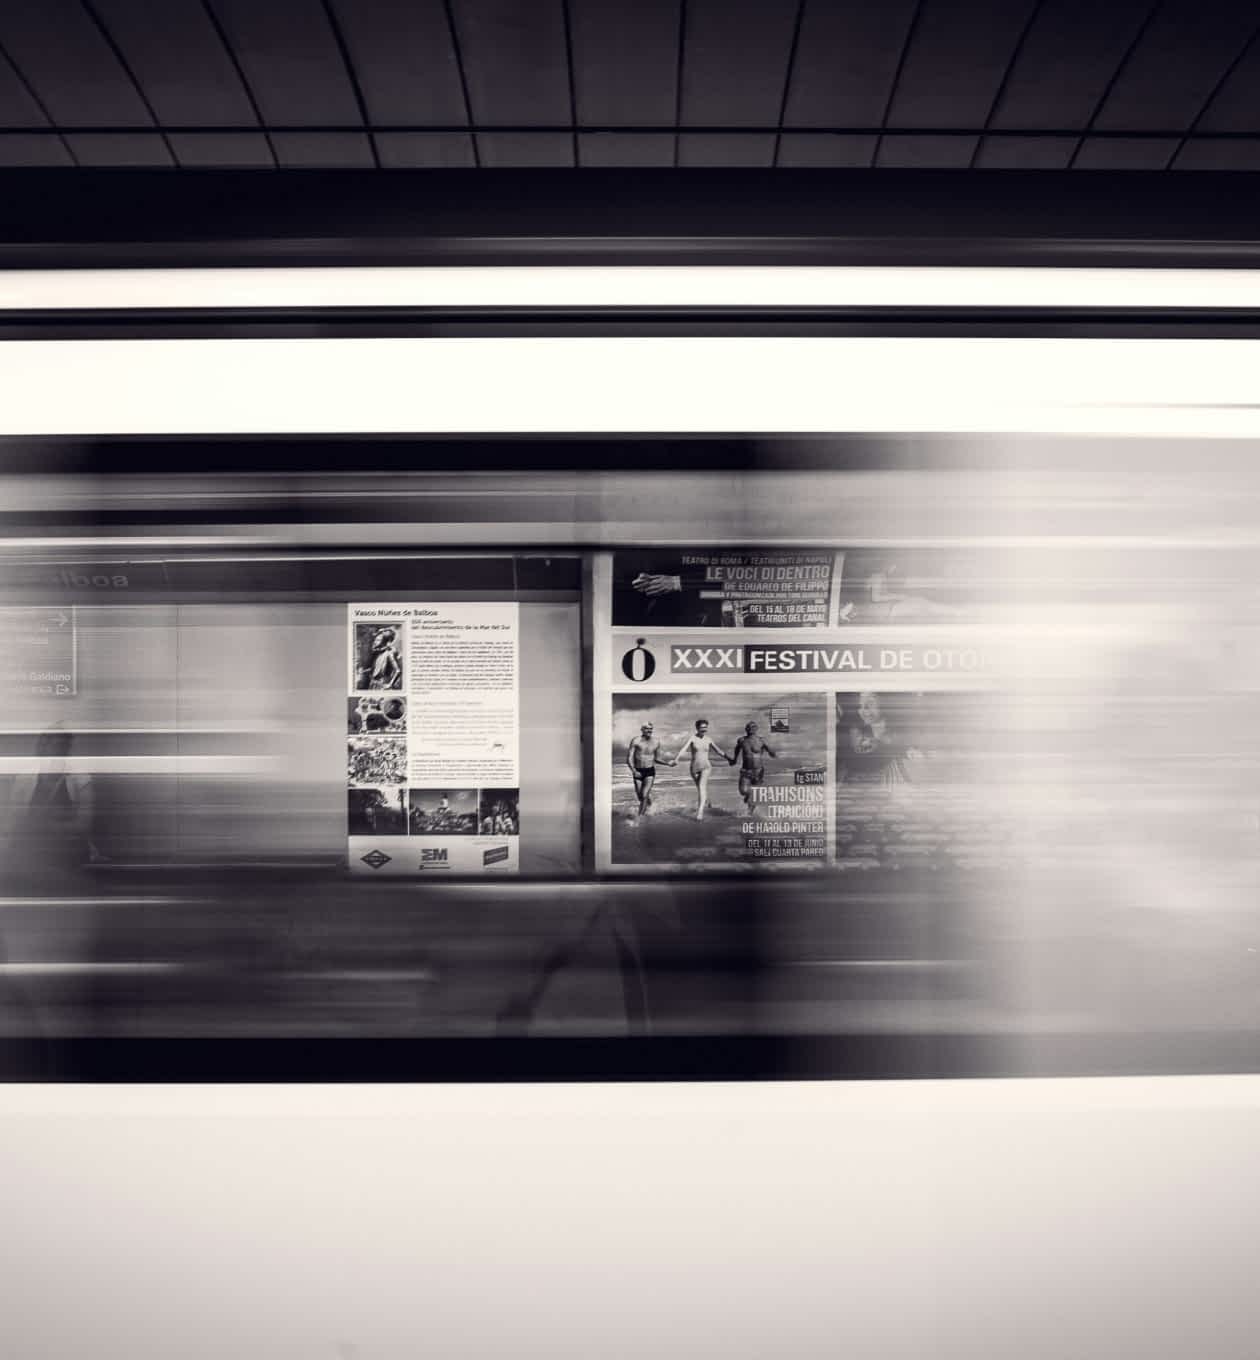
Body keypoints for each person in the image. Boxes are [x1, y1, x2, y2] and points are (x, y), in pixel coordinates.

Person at [672, 718, 729, 822]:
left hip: (706, 766)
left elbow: (718, 751)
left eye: (705, 727)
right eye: (702, 727)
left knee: (702, 787)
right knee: (700, 789)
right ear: (697, 728)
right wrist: (676, 759)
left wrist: (729, 759)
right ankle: (708, 801)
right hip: (694, 768)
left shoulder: (709, 739)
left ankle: (700, 812)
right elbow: (683, 749)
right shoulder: (692, 738)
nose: (704, 729)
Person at [626, 722, 675, 818]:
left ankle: (639, 818)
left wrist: (668, 763)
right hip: (638, 771)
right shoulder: (636, 741)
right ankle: (650, 806)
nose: (649, 730)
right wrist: (634, 771)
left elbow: (657, 759)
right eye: (647, 728)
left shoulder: (656, 742)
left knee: (644, 795)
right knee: (640, 796)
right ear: (642, 730)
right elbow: (629, 758)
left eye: (651, 729)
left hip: (649, 771)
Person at [730, 720, 778, 811]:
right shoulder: (742, 740)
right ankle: (749, 796)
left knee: (754, 796)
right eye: (748, 727)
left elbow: (771, 751)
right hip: (746, 770)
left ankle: (749, 814)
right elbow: (737, 749)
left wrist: (772, 753)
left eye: (753, 727)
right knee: (743, 791)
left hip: (758, 771)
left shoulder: (761, 740)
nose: (750, 729)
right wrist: (734, 759)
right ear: (746, 729)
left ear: (756, 729)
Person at [359, 626, 402, 690]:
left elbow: (398, 671)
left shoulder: (389, 653)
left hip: (381, 686)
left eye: (378, 640)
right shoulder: (378, 654)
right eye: (375, 640)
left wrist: (390, 684)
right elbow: (376, 669)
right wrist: (364, 671)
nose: (375, 642)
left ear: (385, 642)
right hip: (373, 684)